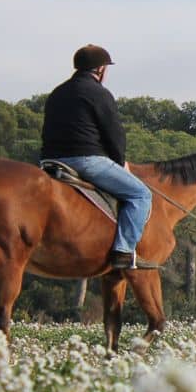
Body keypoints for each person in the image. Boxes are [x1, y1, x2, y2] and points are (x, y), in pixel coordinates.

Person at [40, 44, 154, 269]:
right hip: (85, 161)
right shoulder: (99, 93)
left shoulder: (57, 92)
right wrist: (120, 162)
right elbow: (114, 134)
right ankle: (123, 251)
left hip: (49, 161)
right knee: (141, 194)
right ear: (101, 69)